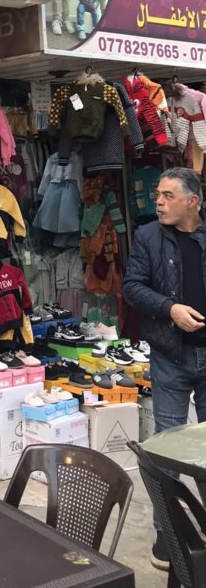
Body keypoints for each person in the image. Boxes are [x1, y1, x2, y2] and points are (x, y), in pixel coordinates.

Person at [122, 167, 206, 571]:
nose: (158, 201)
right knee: (166, 448)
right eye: (157, 194)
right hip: (171, 355)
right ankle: (168, 536)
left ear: (192, 201)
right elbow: (132, 287)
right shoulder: (147, 237)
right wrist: (170, 309)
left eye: (167, 195)